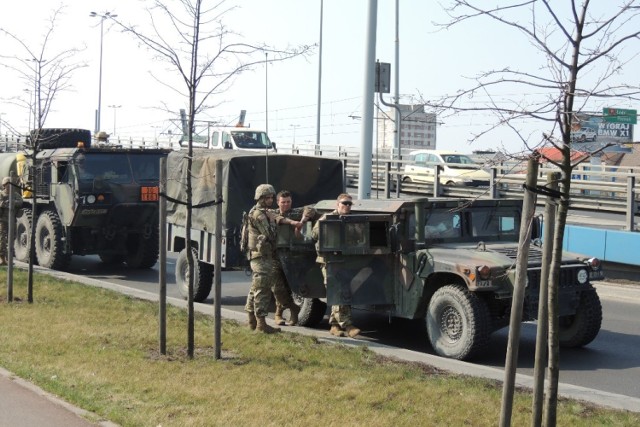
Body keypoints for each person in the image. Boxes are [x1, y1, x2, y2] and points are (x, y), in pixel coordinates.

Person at [244, 184, 302, 333]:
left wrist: (289, 222)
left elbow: (276, 217)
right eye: (267, 198)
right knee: (262, 291)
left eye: (271, 197)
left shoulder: (260, 211)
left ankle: (251, 322)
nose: (270, 200)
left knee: (255, 289)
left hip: (260, 256)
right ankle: (261, 325)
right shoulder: (260, 215)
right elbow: (270, 234)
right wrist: (275, 223)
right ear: (261, 198)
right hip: (262, 257)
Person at [312, 193, 361, 338]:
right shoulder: (327, 219)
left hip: (346, 261)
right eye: (344, 203)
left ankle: (334, 325)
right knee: (338, 291)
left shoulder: (352, 220)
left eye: (349, 204)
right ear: (337, 204)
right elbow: (314, 235)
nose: (347, 206)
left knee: (341, 292)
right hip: (329, 261)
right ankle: (347, 325)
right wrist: (328, 228)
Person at [269, 190, 316, 326]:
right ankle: (284, 311)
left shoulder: (296, 212)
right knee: (277, 286)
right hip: (275, 255)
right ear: (278, 202)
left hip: (294, 255)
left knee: (290, 285)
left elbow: (310, 209)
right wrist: (293, 224)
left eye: (288, 202)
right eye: (283, 202)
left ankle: (284, 314)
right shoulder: (272, 214)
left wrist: (302, 221)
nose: (286, 205)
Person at [0, 176, 23, 265]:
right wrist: (6, 203)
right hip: (3, 221)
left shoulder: (15, 195)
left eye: (10, 185)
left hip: (12, 221)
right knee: (2, 240)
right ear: (4, 185)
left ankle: (8, 258)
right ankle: (2, 259)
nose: (9, 186)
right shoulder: (1, 194)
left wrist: (12, 202)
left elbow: (20, 201)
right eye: (7, 185)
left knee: (12, 239)